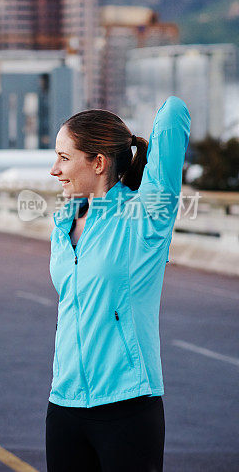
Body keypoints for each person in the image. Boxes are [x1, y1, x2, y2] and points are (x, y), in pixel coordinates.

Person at [46, 96, 190, 471]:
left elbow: (174, 112)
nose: (54, 170)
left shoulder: (146, 215)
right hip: (65, 404)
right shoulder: (63, 224)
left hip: (127, 407)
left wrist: (129, 138)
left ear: (98, 162)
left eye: (64, 157)